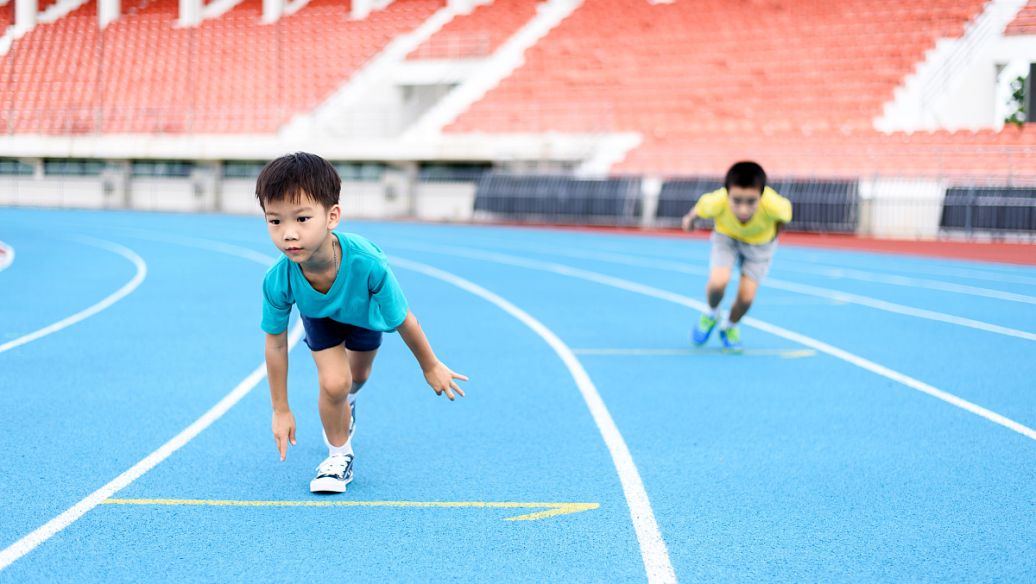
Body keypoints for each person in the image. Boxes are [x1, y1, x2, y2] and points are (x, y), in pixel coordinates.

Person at [256, 152, 467, 493]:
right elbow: (276, 343)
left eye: (302, 219)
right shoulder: (278, 279)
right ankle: (338, 457)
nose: (289, 234)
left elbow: (405, 321)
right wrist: (280, 409)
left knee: (358, 378)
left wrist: (430, 366)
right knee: (335, 383)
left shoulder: (370, 265)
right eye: (275, 221)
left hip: (364, 315)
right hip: (321, 316)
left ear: (332, 216)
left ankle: (347, 404)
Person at [680, 161, 792, 350]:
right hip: (727, 239)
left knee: (746, 299)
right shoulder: (715, 201)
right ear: (727, 193)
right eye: (737, 201)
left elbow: (783, 219)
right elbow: (694, 214)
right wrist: (689, 221)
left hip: (760, 246)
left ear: (762, 195)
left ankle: (729, 326)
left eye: (751, 202)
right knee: (718, 283)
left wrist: (771, 238)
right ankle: (711, 313)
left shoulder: (776, 206)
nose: (743, 209)